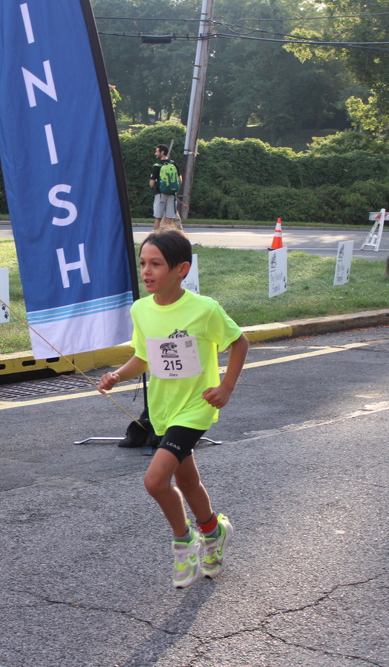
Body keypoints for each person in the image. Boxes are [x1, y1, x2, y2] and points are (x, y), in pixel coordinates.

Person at [97, 230, 249, 588]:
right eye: (143, 264)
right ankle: (214, 532)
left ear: (181, 269)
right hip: (164, 409)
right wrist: (117, 375)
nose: (146, 271)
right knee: (186, 480)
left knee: (154, 480)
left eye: (156, 264)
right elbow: (144, 356)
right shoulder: (141, 310)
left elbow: (239, 342)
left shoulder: (205, 309)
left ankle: (185, 541)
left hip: (196, 407)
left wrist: (226, 387)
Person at [150, 145, 183, 232]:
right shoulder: (174, 164)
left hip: (160, 194)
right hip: (172, 194)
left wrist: (155, 180)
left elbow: (151, 184)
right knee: (169, 219)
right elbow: (180, 181)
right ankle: (167, 236)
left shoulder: (157, 166)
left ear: (162, 152)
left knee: (158, 218)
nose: (155, 153)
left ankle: (156, 236)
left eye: (157, 151)